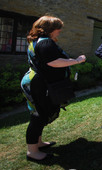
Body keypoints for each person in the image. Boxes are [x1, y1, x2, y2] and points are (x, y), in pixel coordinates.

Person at [21, 16, 86, 162]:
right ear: (50, 29)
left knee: (41, 113)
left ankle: (38, 143)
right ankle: (32, 152)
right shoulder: (46, 43)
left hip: (37, 81)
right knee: (38, 116)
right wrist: (77, 61)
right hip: (39, 84)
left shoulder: (36, 41)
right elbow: (53, 62)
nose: (60, 31)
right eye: (58, 28)